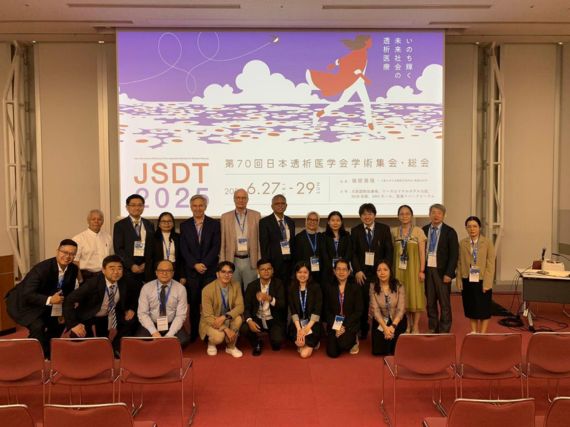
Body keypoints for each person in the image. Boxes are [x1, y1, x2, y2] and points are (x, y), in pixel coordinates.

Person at [6, 239, 79, 358]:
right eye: (64, 252)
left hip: (49, 302)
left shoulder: (73, 269)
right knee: (38, 327)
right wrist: (50, 300)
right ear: (57, 251)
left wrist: (62, 312)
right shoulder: (41, 269)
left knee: (60, 322)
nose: (67, 256)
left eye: (72, 254)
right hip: (25, 304)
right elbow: (27, 294)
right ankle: (36, 357)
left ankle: (46, 352)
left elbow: (68, 292)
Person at [63, 255, 138, 355]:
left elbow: (135, 295)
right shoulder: (92, 283)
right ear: (103, 270)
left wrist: (131, 309)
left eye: (119, 268)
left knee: (131, 321)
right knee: (82, 339)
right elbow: (69, 300)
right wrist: (74, 324)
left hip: (109, 315)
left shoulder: (126, 281)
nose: (116, 272)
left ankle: (116, 347)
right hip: (89, 315)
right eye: (112, 268)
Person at [308, 35, 374, 130]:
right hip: (353, 83)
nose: (371, 42)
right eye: (370, 40)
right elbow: (353, 68)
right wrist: (365, 79)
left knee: (366, 103)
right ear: (365, 42)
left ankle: (369, 123)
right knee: (341, 103)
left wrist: (334, 64)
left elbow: (345, 61)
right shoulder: (358, 53)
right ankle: (318, 114)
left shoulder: (363, 53)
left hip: (359, 83)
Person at [180, 194, 221, 342]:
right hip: (192, 271)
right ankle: (194, 333)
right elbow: (184, 249)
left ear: (205, 206)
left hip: (209, 270)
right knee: (194, 303)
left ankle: (209, 331)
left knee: (209, 304)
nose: (198, 208)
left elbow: (216, 246)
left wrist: (204, 263)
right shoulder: (184, 225)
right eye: (195, 206)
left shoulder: (214, 224)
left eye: (200, 205)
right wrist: (194, 264)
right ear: (191, 207)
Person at [351, 203, 393, 339]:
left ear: (374, 215)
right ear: (360, 216)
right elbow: (353, 253)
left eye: (370, 213)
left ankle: (378, 330)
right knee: (362, 303)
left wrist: (385, 271)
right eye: (364, 214)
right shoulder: (355, 230)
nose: (367, 216)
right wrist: (357, 270)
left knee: (380, 303)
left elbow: (389, 251)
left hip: (379, 274)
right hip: (362, 274)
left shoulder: (384, 229)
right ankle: (362, 329)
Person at [422, 203, 459, 334]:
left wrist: (449, 273)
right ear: (429, 214)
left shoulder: (450, 232)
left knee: (444, 303)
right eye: (433, 212)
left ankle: (444, 329)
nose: (436, 215)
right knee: (430, 302)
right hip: (428, 270)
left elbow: (454, 255)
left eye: (439, 213)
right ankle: (433, 326)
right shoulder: (424, 230)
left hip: (443, 272)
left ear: (444, 215)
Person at [136, 260, 189, 348]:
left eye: (168, 270)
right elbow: (142, 313)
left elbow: (180, 315)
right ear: (156, 272)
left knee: (183, 340)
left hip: (171, 323)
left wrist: (169, 335)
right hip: (152, 323)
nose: (164, 273)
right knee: (141, 340)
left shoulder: (180, 289)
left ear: (173, 273)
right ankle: (162, 348)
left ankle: (159, 348)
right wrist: (154, 332)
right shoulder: (146, 288)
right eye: (161, 270)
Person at [457, 216, 496, 334]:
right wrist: (459, 280)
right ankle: (474, 331)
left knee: (484, 308)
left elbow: (490, 264)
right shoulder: (462, 243)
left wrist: (487, 283)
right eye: (469, 226)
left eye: (475, 226)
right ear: (466, 228)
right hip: (467, 278)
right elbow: (459, 262)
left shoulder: (487, 242)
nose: (472, 229)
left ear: (480, 228)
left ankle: (482, 333)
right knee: (471, 306)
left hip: (482, 279)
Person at [391, 205, 426, 334]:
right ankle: (408, 324)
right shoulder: (394, 231)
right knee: (402, 298)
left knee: (415, 296)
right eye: (401, 214)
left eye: (407, 213)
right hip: (399, 270)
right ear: (398, 216)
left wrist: (422, 270)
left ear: (411, 216)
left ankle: (415, 326)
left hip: (414, 270)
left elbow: (422, 252)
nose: (404, 216)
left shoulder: (418, 231)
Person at [199, 261, 244, 358]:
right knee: (219, 337)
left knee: (238, 318)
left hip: (226, 317)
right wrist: (226, 329)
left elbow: (240, 307)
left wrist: (224, 317)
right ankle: (211, 343)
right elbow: (208, 316)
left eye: (230, 272)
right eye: (223, 272)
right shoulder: (207, 290)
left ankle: (230, 346)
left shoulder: (236, 285)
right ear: (217, 274)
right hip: (212, 320)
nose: (226, 275)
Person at [219, 189, 261, 293]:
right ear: (234, 199)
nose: (241, 200)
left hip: (251, 260)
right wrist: (222, 263)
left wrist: (259, 262)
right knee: (233, 291)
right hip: (232, 260)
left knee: (250, 291)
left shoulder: (256, 215)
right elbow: (222, 242)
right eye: (238, 198)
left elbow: (259, 241)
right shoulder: (225, 217)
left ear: (247, 200)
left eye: (243, 198)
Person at [242, 259, 286, 356]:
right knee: (244, 328)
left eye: (268, 269)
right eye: (263, 269)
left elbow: (282, 304)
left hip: (273, 319)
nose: (266, 271)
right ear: (258, 271)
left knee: (277, 344)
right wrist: (249, 321)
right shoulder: (251, 286)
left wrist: (269, 298)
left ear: (272, 270)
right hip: (258, 318)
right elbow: (246, 307)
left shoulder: (279, 284)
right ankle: (257, 342)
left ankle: (272, 335)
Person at [113, 194, 155, 290]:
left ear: (143, 207)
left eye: (140, 205)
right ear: (127, 207)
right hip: (128, 270)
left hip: (146, 270)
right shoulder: (120, 225)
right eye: (133, 205)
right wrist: (131, 265)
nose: (137, 208)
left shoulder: (149, 224)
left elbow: (152, 247)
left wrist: (146, 263)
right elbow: (118, 249)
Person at [326, 259, 363, 358]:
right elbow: (326, 311)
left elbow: (358, 311)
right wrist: (337, 326)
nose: (341, 272)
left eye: (344, 269)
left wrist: (344, 325)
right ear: (334, 271)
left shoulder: (355, 287)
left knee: (344, 344)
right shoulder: (329, 287)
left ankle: (354, 339)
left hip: (350, 322)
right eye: (338, 269)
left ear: (349, 272)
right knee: (332, 353)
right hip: (335, 322)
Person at [259, 194, 296, 289]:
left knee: (288, 288)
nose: (280, 205)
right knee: (275, 289)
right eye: (277, 203)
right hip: (274, 263)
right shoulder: (264, 222)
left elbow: (292, 243)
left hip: (289, 262)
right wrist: (268, 265)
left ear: (286, 206)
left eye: (282, 203)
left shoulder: (290, 221)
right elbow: (264, 245)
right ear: (272, 206)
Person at [370, 260, 406, 356]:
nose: (382, 273)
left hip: (397, 320)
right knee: (378, 351)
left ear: (390, 271)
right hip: (381, 320)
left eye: (385, 270)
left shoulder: (399, 285)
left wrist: (393, 326)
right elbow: (375, 310)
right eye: (379, 270)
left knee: (396, 350)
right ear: (376, 272)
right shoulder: (373, 286)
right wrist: (385, 328)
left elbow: (401, 308)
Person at [289, 261, 322, 358]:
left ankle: (312, 342)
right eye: (299, 272)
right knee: (300, 344)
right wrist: (299, 330)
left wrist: (306, 329)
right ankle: (304, 344)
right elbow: (293, 311)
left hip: (312, 324)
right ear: (295, 273)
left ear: (309, 273)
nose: (302, 275)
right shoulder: (292, 288)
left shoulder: (316, 287)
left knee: (304, 354)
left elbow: (317, 311)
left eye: (305, 272)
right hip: (298, 324)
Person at [72, 209, 112, 284]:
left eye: (99, 219)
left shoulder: (108, 237)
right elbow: (75, 262)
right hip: (86, 276)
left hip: (103, 276)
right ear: (88, 221)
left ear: (102, 221)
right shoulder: (78, 239)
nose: (96, 221)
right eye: (93, 219)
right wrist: (80, 279)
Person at [145, 211, 185, 283]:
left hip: (175, 272)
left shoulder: (178, 237)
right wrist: (149, 278)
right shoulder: (152, 238)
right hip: (158, 272)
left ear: (173, 223)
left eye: (169, 221)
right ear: (159, 224)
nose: (167, 224)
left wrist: (182, 276)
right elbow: (149, 259)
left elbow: (182, 259)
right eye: (163, 221)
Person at [294, 211, 324, 285]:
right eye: (310, 219)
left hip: (320, 273)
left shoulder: (321, 236)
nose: (312, 222)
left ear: (318, 222)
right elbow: (297, 258)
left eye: (315, 220)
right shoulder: (299, 237)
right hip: (304, 273)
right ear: (306, 221)